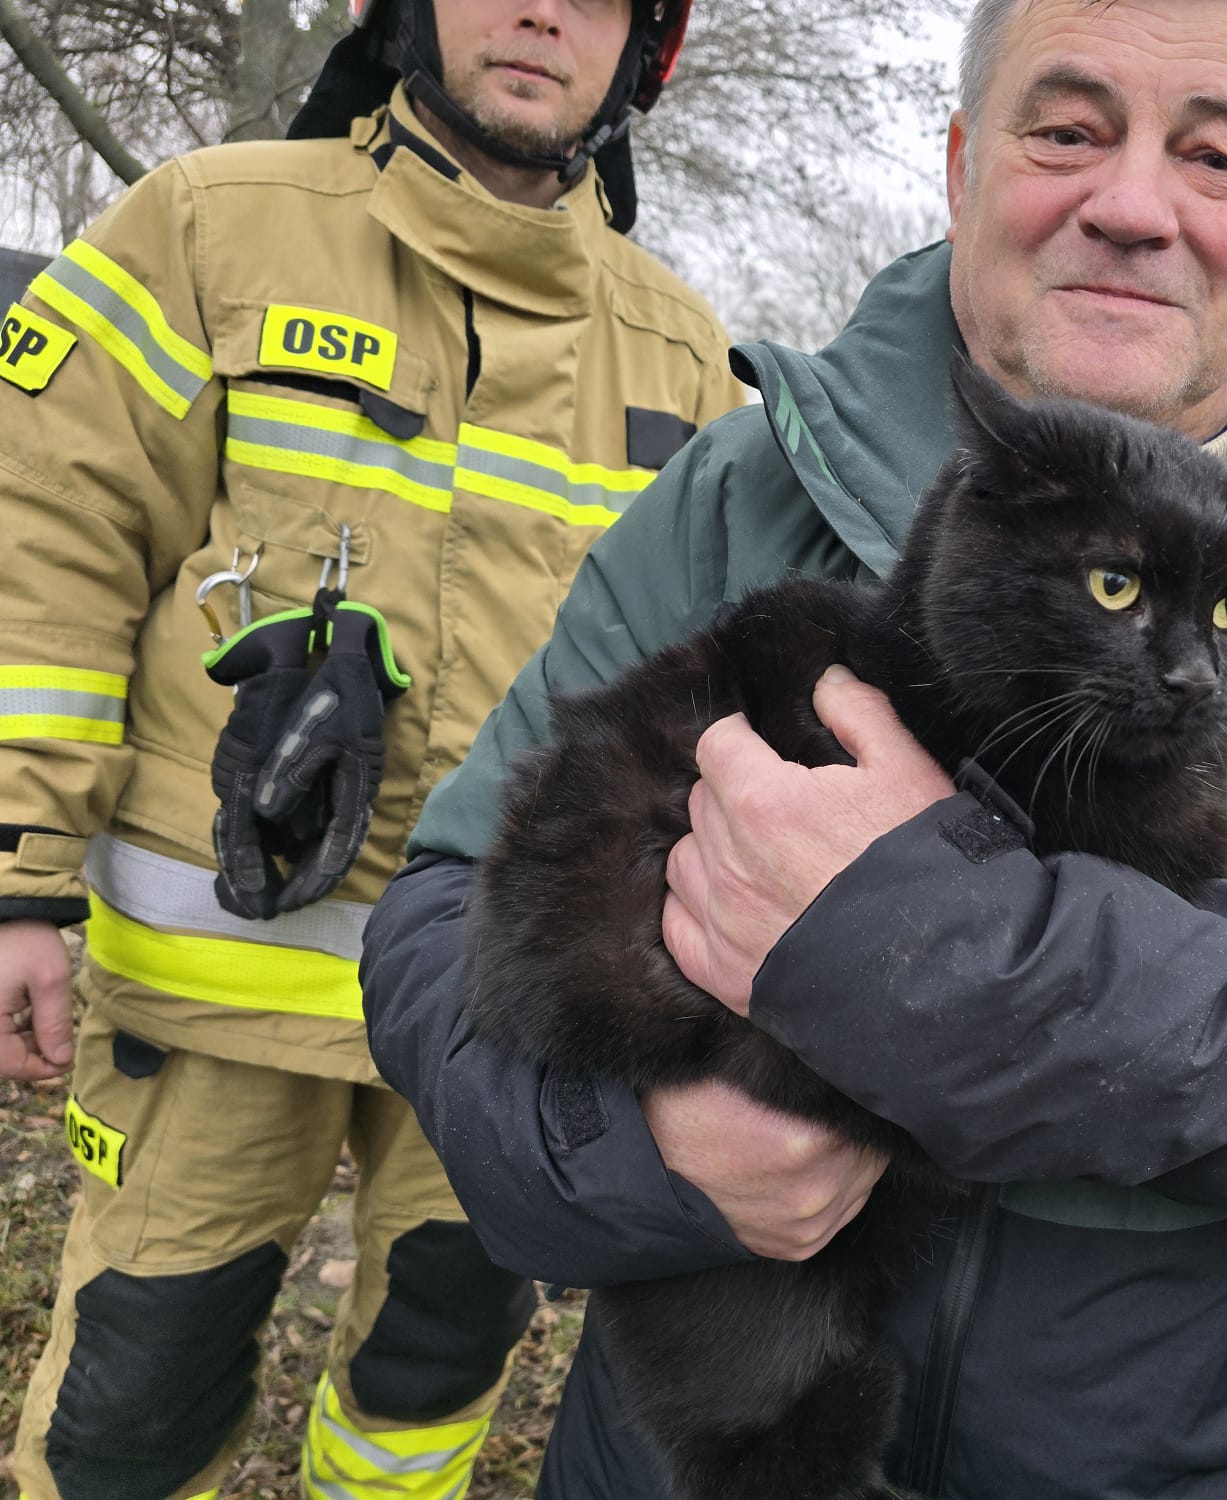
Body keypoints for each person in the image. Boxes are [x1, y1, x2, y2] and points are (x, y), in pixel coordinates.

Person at [362, 0, 1227, 1492]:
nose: (1131, 207)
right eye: (1067, 132)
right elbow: (431, 920)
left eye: (1215, 155)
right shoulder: (749, 473)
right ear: (958, 165)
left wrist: (928, 943)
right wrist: (638, 1157)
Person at [0, 0, 740, 1489]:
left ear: (643, 46)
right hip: (207, 1009)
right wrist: (18, 878)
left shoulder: (682, 351)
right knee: (132, 1404)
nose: (540, 12)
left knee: (427, 1383)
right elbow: (44, 549)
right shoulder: (210, 230)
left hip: (501, 1018)